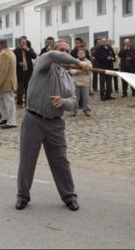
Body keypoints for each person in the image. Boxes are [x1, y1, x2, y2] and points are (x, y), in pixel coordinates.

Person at [16, 40, 91, 211]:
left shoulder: (67, 78)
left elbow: (73, 102)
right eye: (62, 50)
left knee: (61, 162)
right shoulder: (44, 62)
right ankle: (22, 195)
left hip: (55, 124)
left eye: (67, 51)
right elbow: (52, 56)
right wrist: (79, 63)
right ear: (55, 50)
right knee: (27, 160)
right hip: (33, 118)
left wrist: (62, 102)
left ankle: (69, 196)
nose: (65, 53)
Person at [0, 39, 18, 129]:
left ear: (0, 45)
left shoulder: (4, 54)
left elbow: (3, 71)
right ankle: (5, 118)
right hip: (8, 81)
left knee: (9, 102)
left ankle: (11, 122)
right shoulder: (10, 52)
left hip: (6, 82)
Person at [14, 37, 37, 108]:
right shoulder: (16, 51)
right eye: (22, 42)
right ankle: (19, 103)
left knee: (28, 88)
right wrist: (18, 63)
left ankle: (27, 103)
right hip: (20, 72)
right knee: (20, 88)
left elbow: (34, 56)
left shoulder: (29, 49)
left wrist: (28, 50)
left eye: (25, 42)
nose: (24, 44)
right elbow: (13, 61)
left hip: (28, 71)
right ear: (19, 43)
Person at [69, 48, 92, 116]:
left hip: (85, 82)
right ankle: (73, 111)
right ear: (77, 54)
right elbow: (71, 71)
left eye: (82, 53)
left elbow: (89, 71)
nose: (80, 54)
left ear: (85, 54)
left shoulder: (88, 62)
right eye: (79, 53)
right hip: (75, 82)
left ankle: (86, 110)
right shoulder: (74, 61)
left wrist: (84, 70)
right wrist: (80, 71)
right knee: (75, 97)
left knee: (86, 97)